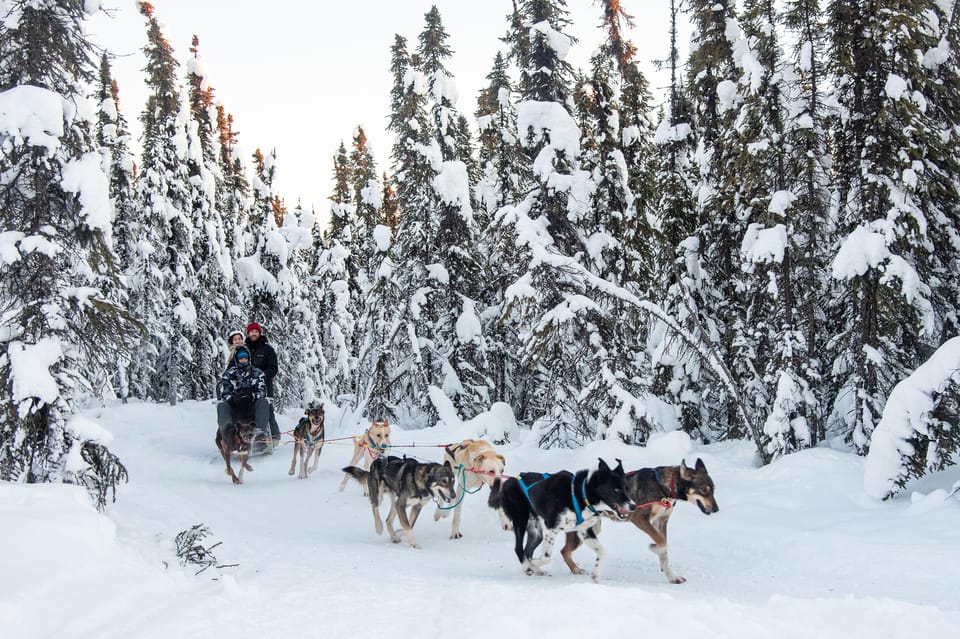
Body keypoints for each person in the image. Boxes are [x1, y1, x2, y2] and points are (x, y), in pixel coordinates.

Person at [216, 347, 271, 449]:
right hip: (235, 407)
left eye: (245, 358)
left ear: (248, 359)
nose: (243, 360)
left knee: (263, 402)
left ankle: (260, 433)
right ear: (237, 359)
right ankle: (226, 433)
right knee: (221, 406)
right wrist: (233, 399)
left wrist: (251, 396)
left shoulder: (257, 373)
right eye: (240, 358)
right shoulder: (229, 374)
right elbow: (225, 392)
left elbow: (262, 390)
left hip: (251, 406)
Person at [245, 322, 280, 444]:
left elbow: (273, 368)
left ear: (259, 333)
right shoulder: (244, 349)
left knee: (268, 411)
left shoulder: (267, 349)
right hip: (247, 387)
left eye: (256, 331)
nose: (254, 333)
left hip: (264, 386)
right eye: (251, 331)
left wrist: (262, 376)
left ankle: (274, 437)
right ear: (248, 333)